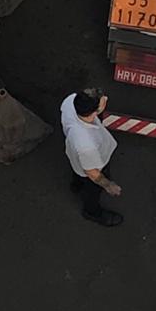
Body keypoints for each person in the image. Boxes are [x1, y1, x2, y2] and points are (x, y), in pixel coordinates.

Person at [60, 90, 123, 227]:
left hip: (74, 156)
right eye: (102, 100)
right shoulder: (87, 145)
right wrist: (108, 185)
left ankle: (76, 185)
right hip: (93, 166)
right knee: (92, 190)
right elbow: (92, 172)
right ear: (94, 112)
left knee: (77, 172)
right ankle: (92, 212)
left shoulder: (71, 101)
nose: (105, 98)